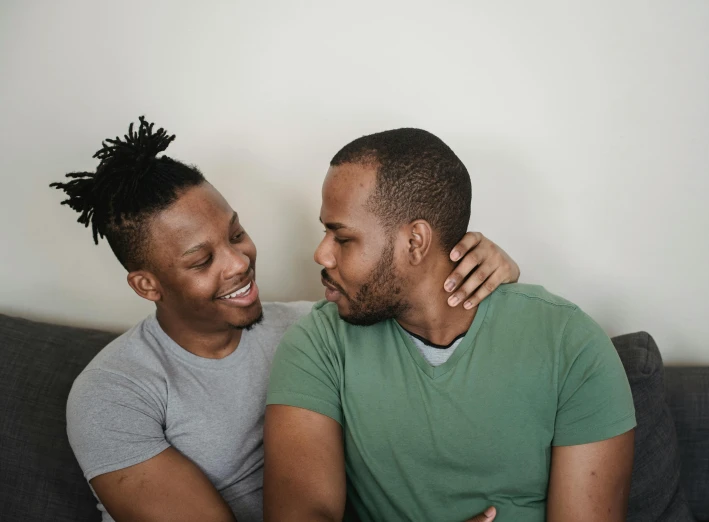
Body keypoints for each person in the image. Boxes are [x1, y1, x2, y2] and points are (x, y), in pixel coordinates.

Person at [51, 117, 521, 522]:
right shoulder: (112, 394)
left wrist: (476, 268)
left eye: (237, 233)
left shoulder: (312, 329)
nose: (238, 262)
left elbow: (411, 305)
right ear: (147, 285)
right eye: (201, 260)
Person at [264, 128, 637, 522]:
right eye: (325, 231)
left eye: (342, 238)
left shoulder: (571, 345)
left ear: (415, 242)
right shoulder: (318, 345)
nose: (321, 254)